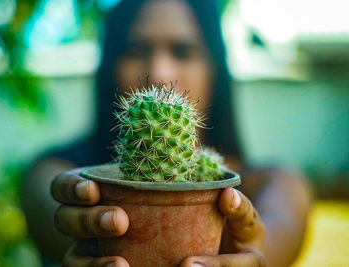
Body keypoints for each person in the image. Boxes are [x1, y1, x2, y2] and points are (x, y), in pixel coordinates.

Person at [22, 0, 313, 266]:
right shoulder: (57, 172)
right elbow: (48, 210)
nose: (159, 74)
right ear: (110, 63)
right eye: (136, 50)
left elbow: (278, 230)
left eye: (183, 51)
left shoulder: (272, 182)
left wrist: (249, 251)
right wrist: (87, 236)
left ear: (216, 66)